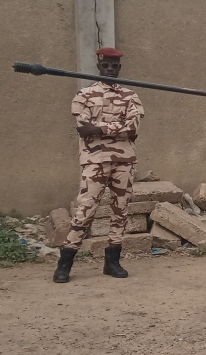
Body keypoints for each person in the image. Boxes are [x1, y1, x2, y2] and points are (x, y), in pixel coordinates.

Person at [54, 47, 144, 284]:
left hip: (124, 161)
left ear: (119, 68)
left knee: (121, 210)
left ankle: (112, 261)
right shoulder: (84, 95)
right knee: (85, 210)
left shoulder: (130, 96)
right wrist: (116, 128)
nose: (110, 70)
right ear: (98, 67)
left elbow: (133, 128)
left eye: (114, 66)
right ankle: (65, 263)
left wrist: (101, 128)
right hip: (94, 161)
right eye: (106, 66)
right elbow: (84, 129)